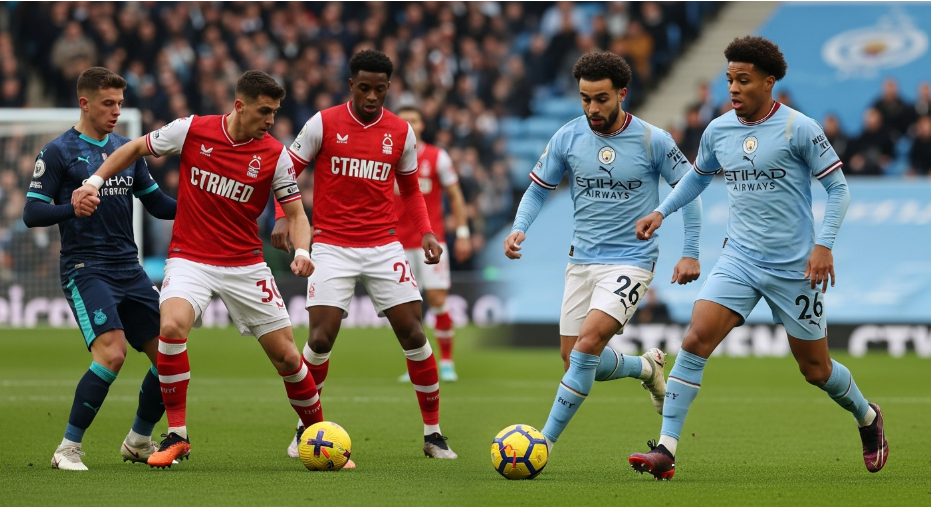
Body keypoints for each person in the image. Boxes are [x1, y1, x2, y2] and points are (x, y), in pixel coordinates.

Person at [629, 36, 886, 480]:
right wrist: (661, 211)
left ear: (769, 83)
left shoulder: (799, 128)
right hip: (740, 260)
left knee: (816, 369)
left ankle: (867, 417)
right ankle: (666, 450)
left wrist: (823, 245)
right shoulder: (718, 130)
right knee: (694, 341)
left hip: (794, 269)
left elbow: (839, 189)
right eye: (729, 79)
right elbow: (695, 180)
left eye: (743, 80)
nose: (732, 88)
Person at [71, 70, 326, 468]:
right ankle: (177, 436)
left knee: (289, 358)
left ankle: (318, 437)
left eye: (275, 112)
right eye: (264, 111)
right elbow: (134, 148)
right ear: (239, 106)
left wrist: (304, 249)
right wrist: (94, 181)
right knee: (171, 327)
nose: (271, 120)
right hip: (190, 258)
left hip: (245, 265)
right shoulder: (192, 130)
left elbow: (296, 213)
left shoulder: (275, 154)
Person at [502, 52, 702, 461]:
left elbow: (690, 188)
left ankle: (543, 444)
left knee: (588, 345)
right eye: (585, 99)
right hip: (582, 261)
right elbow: (540, 188)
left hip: (631, 259)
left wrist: (691, 251)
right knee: (574, 360)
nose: (592, 108)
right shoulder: (567, 137)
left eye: (601, 99)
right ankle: (645, 369)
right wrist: (520, 226)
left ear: (622, 94)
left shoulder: (653, 139)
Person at [270, 50, 456, 460]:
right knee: (320, 338)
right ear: (351, 85)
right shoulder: (323, 123)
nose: (373, 96)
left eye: (381, 89)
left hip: (382, 246)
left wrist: (425, 231)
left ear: (389, 87)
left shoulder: (401, 132)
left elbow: (409, 189)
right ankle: (306, 428)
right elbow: (288, 169)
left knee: (414, 334)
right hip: (332, 245)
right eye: (365, 88)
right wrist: (285, 215)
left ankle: (434, 434)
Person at [23, 67, 177, 470]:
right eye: (108, 103)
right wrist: (69, 207)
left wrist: (206, 204)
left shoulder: (127, 150)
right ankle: (67, 448)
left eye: (120, 104)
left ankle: (139, 440)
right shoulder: (57, 152)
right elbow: (32, 212)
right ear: (84, 103)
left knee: (171, 359)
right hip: (85, 267)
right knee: (113, 353)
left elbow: (159, 205)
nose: (115, 111)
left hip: (130, 267)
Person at [393, 106, 472, 383]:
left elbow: (455, 195)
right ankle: (414, 364)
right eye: (404, 121)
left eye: (413, 120)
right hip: (396, 245)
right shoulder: (387, 157)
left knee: (437, 300)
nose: (409, 125)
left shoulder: (437, 157)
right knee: (405, 308)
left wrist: (462, 233)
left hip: (431, 241)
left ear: (422, 124)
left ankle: (447, 362)